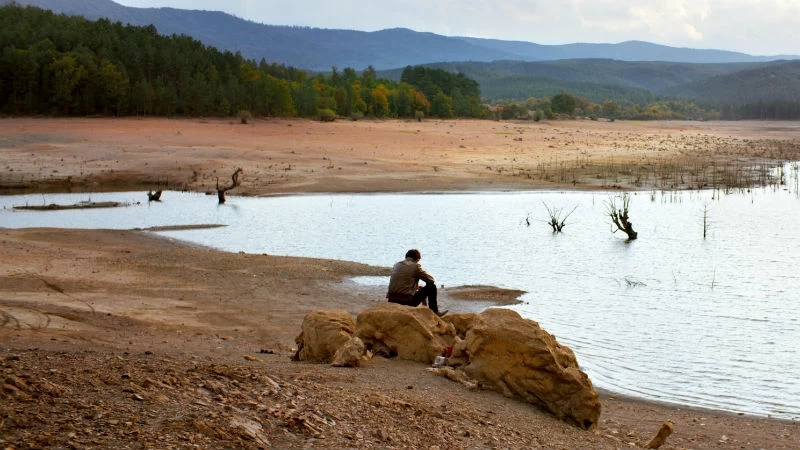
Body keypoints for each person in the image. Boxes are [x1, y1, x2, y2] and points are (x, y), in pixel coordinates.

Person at [386, 249, 447, 317]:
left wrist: (416, 287)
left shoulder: (396, 265)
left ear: (406, 257)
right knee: (431, 287)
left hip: (391, 300)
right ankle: (435, 312)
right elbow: (431, 280)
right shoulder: (415, 266)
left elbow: (402, 282)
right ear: (417, 259)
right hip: (406, 302)